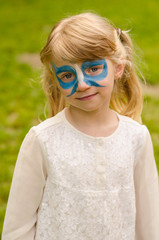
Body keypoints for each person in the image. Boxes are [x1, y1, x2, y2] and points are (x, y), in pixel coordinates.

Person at [2, 12, 159, 240]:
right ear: (56, 81)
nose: (83, 84)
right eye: (67, 75)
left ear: (117, 67)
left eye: (93, 68)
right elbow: (17, 229)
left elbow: (150, 223)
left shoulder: (136, 137)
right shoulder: (42, 140)